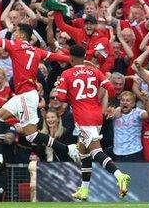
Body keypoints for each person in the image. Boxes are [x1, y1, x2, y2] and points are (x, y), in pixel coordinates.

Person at [0, 24, 78, 166]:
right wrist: (76, 60)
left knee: (32, 135)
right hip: (22, 95)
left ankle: (68, 149)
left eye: (16, 32)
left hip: (26, 95)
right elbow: (59, 57)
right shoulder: (37, 51)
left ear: (21, 35)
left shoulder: (15, 45)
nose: (14, 34)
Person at [55, 45, 130, 200]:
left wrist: (69, 94)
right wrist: (106, 103)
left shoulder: (67, 73)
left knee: (95, 151)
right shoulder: (95, 71)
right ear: (84, 57)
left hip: (83, 117)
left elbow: (61, 98)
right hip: (96, 115)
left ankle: (119, 175)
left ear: (70, 58)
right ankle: (84, 190)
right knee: (83, 153)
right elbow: (110, 88)